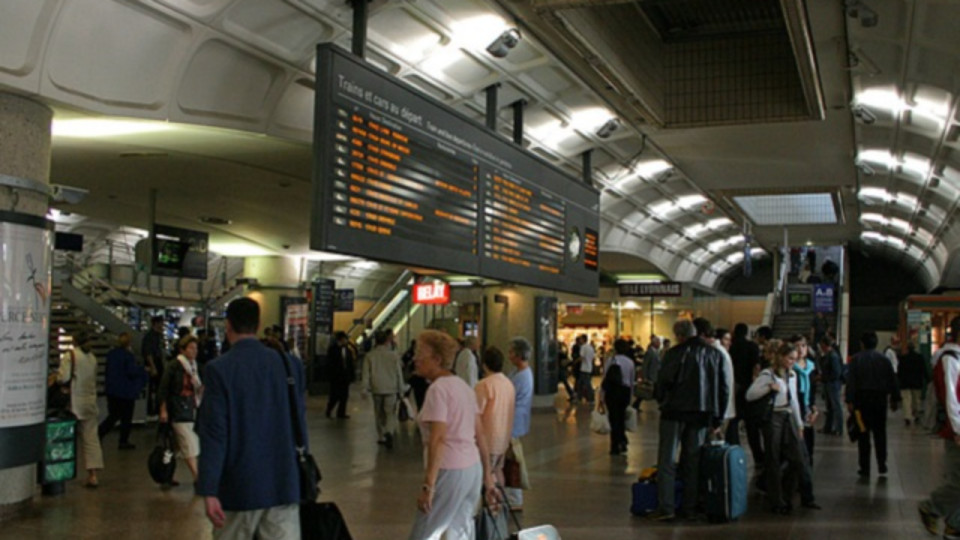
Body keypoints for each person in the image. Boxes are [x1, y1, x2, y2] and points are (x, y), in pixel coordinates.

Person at [196, 298, 307, 539]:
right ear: (258, 325)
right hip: (283, 483)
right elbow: (299, 421)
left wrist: (209, 489)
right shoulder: (290, 366)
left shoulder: (219, 369)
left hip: (239, 488)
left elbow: (215, 434)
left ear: (228, 326)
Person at [408, 330, 497, 540]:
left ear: (437, 359)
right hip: (472, 468)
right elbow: (480, 435)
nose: (415, 358)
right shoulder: (464, 387)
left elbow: (437, 440)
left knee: (425, 533)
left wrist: (428, 485)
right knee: (461, 532)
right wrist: (487, 476)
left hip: (449, 470)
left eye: (420, 353)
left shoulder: (438, 390)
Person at [650, 319, 728, 522]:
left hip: (674, 412)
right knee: (692, 461)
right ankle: (689, 507)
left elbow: (664, 381)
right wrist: (717, 417)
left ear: (679, 335)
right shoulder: (714, 354)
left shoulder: (674, 353)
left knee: (667, 459)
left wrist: (660, 397)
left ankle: (666, 507)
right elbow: (723, 387)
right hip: (701, 414)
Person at [747, 342, 811, 514]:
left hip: (787, 414)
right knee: (773, 458)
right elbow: (750, 394)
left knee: (797, 458)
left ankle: (787, 495)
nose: (792, 362)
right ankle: (777, 500)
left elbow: (794, 400)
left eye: (795, 359)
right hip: (773, 416)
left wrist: (799, 424)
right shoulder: (768, 374)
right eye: (790, 358)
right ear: (781, 357)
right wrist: (769, 388)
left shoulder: (792, 375)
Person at [919, 316, 960, 537]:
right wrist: (957, 429)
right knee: (958, 481)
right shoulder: (949, 359)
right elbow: (950, 398)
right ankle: (932, 507)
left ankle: (955, 525)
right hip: (956, 430)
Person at [846, 331, 901, 477]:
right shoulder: (884, 360)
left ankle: (865, 467)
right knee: (880, 433)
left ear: (862, 344)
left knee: (863, 433)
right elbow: (892, 380)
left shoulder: (856, 360)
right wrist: (895, 398)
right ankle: (882, 464)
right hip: (879, 401)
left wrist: (849, 400)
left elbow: (851, 381)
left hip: (861, 402)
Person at [59, 331, 103, 488]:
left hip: (73, 402)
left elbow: (63, 378)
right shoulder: (92, 358)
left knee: (64, 437)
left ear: (74, 341)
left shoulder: (70, 356)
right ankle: (93, 475)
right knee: (91, 438)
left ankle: (60, 472)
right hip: (90, 401)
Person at [160, 336, 203, 484]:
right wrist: (163, 408)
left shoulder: (194, 367)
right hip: (177, 408)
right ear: (182, 350)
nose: (194, 351)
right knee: (188, 441)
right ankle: (197, 476)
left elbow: (198, 388)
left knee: (175, 446)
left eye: (195, 348)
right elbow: (164, 388)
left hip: (189, 407)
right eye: (191, 348)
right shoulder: (174, 366)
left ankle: (167, 474)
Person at [98, 332, 149, 450]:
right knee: (126, 417)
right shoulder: (128, 356)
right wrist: (143, 369)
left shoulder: (111, 354)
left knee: (113, 415)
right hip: (126, 391)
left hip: (112, 390)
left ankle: (100, 432)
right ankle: (123, 441)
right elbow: (131, 372)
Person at [475, 346, 515, 487]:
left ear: (484, 365)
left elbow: (476, 413)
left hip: (487, 439)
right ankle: (499, 505)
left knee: (484, 475)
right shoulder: (508, 384)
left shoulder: (483, 385)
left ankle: (489, 505)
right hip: (503, 438)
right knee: (498, 471)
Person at [727, 323, 764, 463]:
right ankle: (758, 456)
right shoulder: (752, 347)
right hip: (749, 388)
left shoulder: (731, 347)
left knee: (733, 422)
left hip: (734, 388)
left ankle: (734, 453)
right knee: (751, 425)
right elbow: (756, 367)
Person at [363, 329, 406, 449]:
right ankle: (389, 432)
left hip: (377, 388)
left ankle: (381, 436)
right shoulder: (393, 356)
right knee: (390, 413)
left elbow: (366, 374)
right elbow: (399, 373)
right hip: (391, 388)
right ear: (387, 341)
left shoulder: (370, 355)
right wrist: (401, 390)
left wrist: (364, 389)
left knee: (378, 413)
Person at [505, 337, 534, 510]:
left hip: (514, 421)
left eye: (511, 352)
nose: (510, 356)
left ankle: (515, 496)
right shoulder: (517, 372)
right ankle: (511, 494)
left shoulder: (522, 376)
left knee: (513, 460)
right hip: (513, 420)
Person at [598, 339, 635, 455]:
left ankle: (615, 445)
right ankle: (622, 440)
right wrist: (631, 396)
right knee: (621, 417)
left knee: (613, 418)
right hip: (625, 391)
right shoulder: (630, 362)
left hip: (612, 391)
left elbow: (605, 377)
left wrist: (601, 395)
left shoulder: (610, 360)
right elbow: (631, 380)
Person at [789, 334, 818, 462]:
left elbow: (813, 389)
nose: (801, 349)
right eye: (797, 346)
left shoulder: (811, 366)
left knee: (808, 440)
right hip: (792, 408)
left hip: (806, 408)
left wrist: (814, 409)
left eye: (803, 345)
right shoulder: (789, 367)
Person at [818, 336, 844, 436]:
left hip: (832, 384)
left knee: (835, 406)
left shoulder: (833, 356)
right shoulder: (828, 355)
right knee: (830, 407)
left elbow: (836, 372)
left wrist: (824, 377)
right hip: (829, 383)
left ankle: (838, 428)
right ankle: (828, 427)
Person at [326, 331, 355, 419]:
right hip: (336, 377)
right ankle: (329, 409)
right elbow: (330, 363)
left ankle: (341, 413)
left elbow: (350, 364)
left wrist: (351, 376)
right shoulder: (333, 349)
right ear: (341, 339)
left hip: (345, 377)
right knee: (334, 395)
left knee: (344, 396)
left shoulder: (348, 350)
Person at [142, 316, 166, 418]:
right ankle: (151, 409)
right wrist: (153, 366)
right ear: (156, 323)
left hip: (159, 363)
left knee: (159, 387)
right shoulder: (150, 337)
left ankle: (156, 408)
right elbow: (148, 353)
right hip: (154, 363)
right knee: (152, 387)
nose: (162, 325)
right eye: (161, 323)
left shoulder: (159, 336)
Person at [898, 342, 926, 426]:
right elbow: (923, 369)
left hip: (905, 382)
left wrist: (899, 381)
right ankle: (916, 414)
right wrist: (928, 379)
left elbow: (900, 371)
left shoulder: (903, 358)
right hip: (916, 382)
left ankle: (907, 417)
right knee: (916, 399)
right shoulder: (919, 357)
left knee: (906, 399)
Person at [636, 335, 661, 412]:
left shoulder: (655, 352)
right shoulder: (650, 352)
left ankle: (636, 404)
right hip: (651, 375)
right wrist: (645, 376)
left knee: (654, 392)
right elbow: (645, 365)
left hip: (654, 375)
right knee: (649, 391)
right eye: (658, 342)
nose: (659, 344)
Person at [403, 340, 429, 410]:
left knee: (421, 400)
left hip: (420, 381)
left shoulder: (421, 356)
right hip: (419, 381)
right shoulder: (410, 354)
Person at [577, 335, 596, 404]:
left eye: (581, 339)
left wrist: (574, 362)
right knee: (581, 383)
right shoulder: (591, 347)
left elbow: (581, 357)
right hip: (589, 367)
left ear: (583, 339)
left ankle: (590, 398)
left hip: (584, 368)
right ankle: (580, 397)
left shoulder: (583, 347)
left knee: (586, 384)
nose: (580, 340)